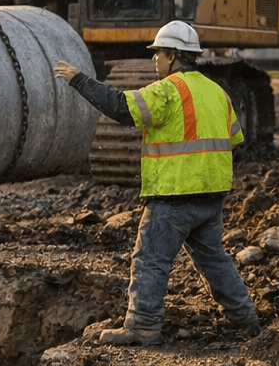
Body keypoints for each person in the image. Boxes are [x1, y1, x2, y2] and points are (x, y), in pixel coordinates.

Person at [54, 20, 260, 345]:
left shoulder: (168, 90)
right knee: (214, 259)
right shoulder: (218, 92)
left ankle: (142, 326)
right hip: (212, 196)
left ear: (173, 56)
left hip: (174, 195)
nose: (154, 59)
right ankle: (246, 320)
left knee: (150, 260)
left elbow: (121, 107)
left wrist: (78, 79)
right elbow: (235, 139)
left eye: (158, 53)